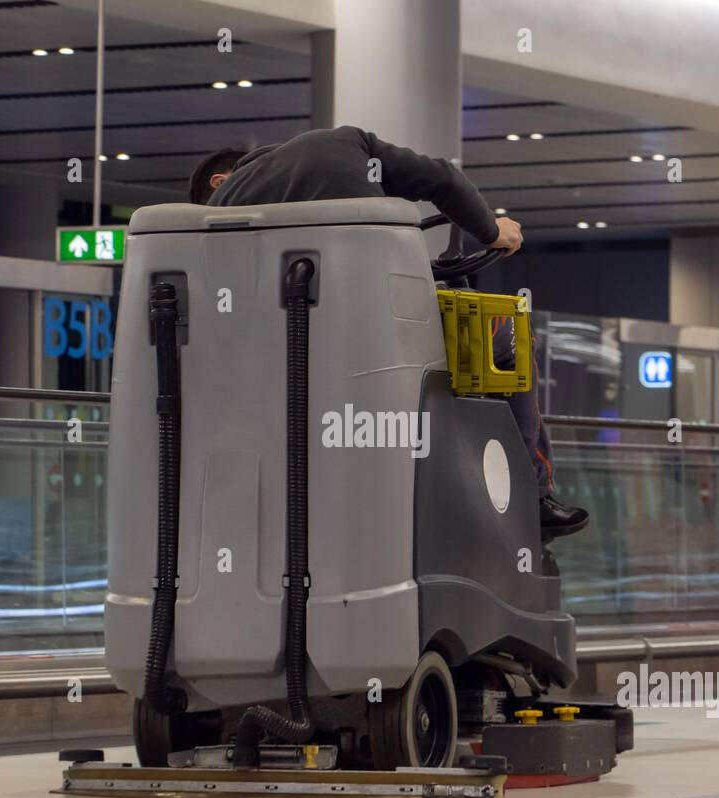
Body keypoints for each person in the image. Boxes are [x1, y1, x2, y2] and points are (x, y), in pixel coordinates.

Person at [188, 126, 588, 540]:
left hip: (289, 356)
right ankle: (534, 496)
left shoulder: (212, 221)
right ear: (222, 180)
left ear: (218, 183)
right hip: (386, 326)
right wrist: (492, 230)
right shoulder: (342, 142)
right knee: (508, 335)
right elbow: (444, 179)